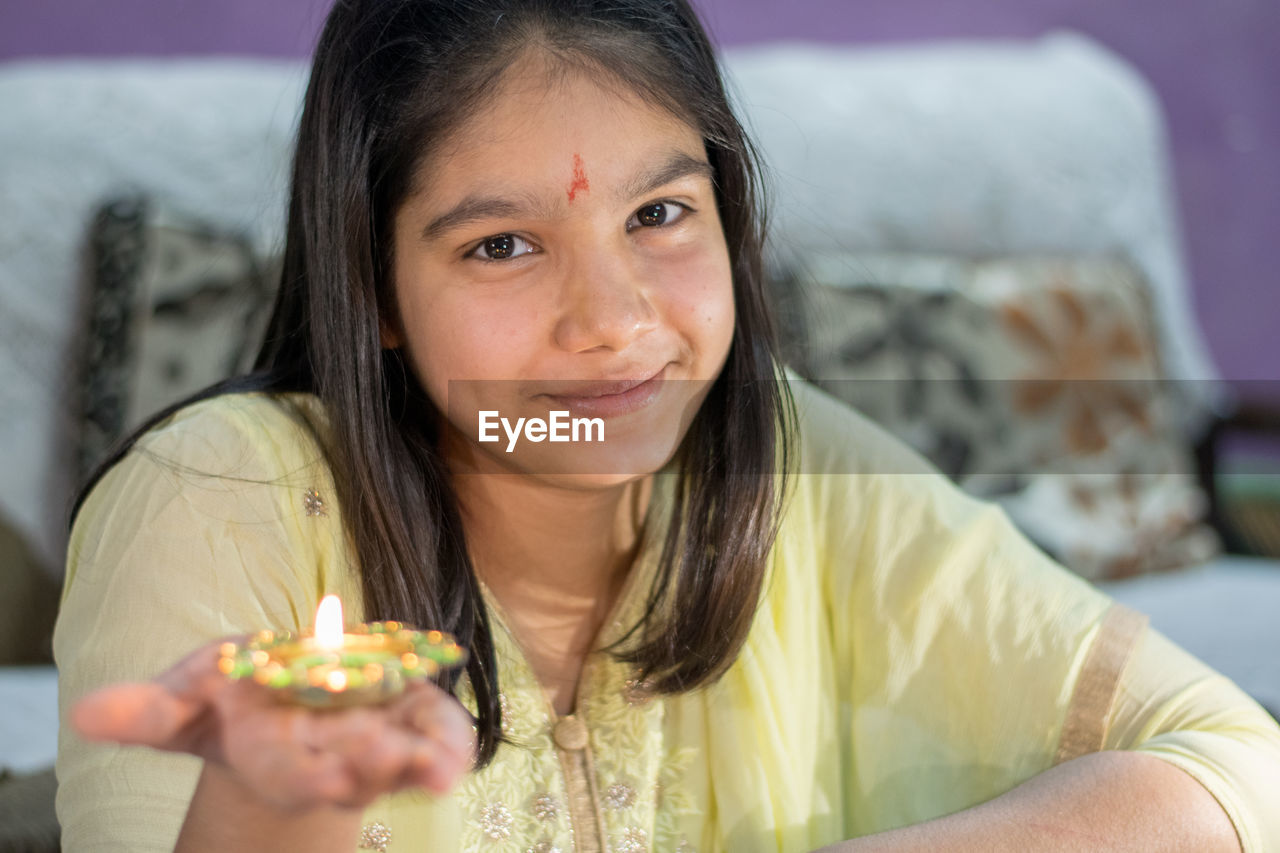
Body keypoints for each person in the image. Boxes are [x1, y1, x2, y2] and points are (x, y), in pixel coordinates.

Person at [54, 1, 1280, 851]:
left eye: (657, 214)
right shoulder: (220, 505)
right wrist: (263, 808)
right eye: (502, 245)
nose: (610, 321)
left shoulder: (791, 463)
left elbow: (1235, 761)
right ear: (371, 290)